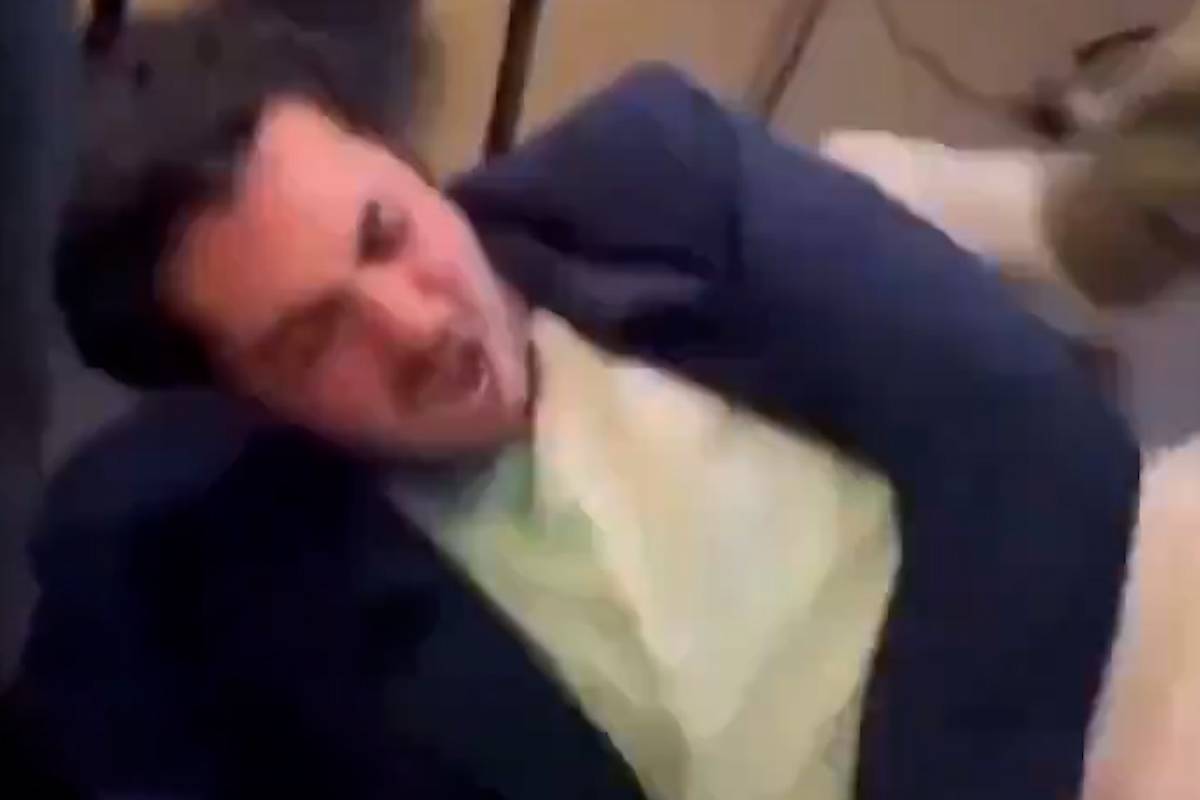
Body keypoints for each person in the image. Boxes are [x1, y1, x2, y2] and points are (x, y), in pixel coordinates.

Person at [29, 6, 1140, 800]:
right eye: (315, 339)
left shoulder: (659, 175)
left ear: (407, 160)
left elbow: (1043, 442)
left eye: (386, 233)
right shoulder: (213, 593)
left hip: (1101, 689)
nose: (416, 326)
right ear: (245, 397)